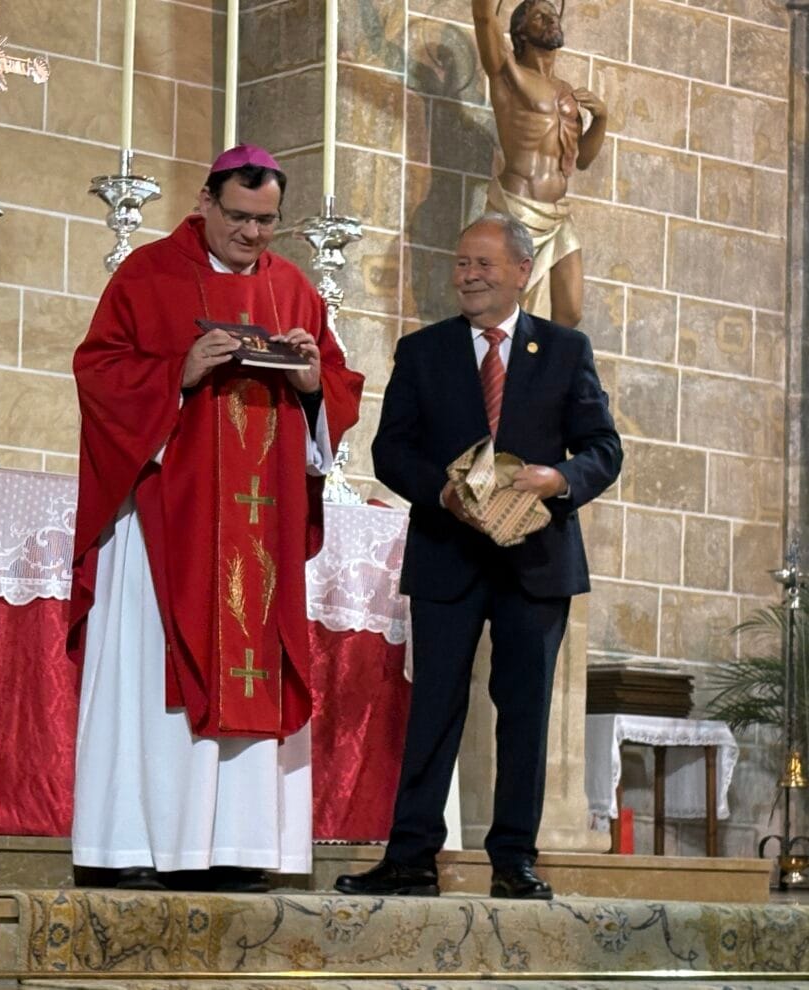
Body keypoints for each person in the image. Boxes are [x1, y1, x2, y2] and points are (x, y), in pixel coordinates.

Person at [69, 145, 364, 891]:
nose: (253, 234)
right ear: (204, 202)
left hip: (259, 529)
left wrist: (309, 383)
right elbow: (98, 372)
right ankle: (137, 843)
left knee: (252, 661)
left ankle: (239, 844)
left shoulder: (295, 290)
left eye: (267, 222)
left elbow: (337, 382)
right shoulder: (148, 275)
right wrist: (180, 372)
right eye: (239, 217)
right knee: (157, 670)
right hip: (172, 524)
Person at [337, 213, 620, 900]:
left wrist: (559, 481)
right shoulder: (423, 351)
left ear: (522, 271)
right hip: (447, 555)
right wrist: (441, 491)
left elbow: (604, 450)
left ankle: (513, 861)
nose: (468, 274)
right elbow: (392, 450)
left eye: (483, 264)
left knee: (523, 711)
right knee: (433, 704)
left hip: (537, 559)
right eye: (462, 263)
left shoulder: (563, 350)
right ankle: (409, 857)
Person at [474, 0, 608, 326]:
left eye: (553, 14)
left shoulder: (567, 94)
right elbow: (483, 16)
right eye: (539, 16)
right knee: (507, 307)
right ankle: (507, 372)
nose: (551, 20)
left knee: (570, 312)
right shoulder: (509, 74)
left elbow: (584, 160)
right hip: (518, 207)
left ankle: (548, 373)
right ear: (521, 31)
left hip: (557, 214)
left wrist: (601, 118)